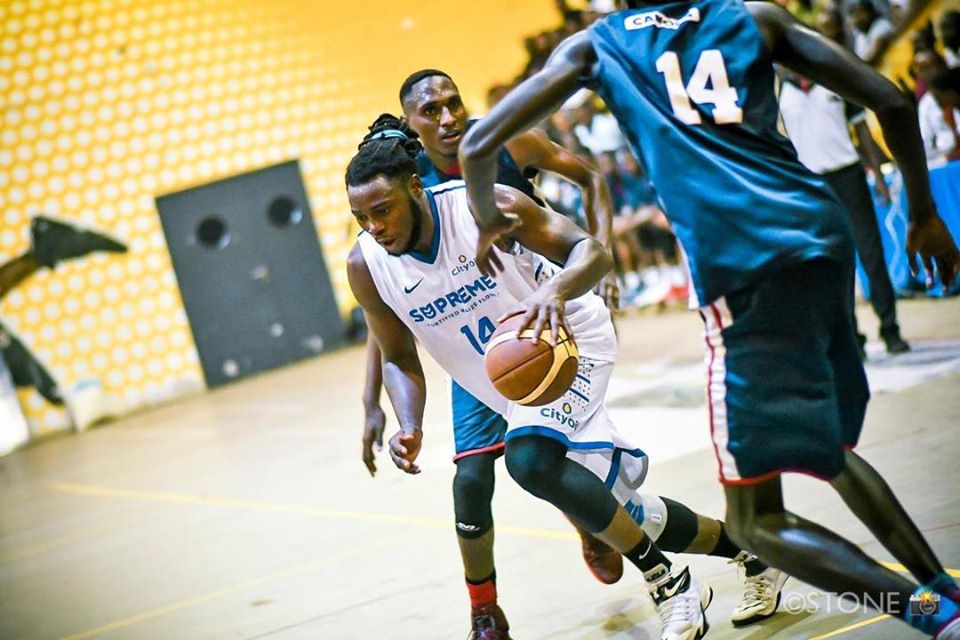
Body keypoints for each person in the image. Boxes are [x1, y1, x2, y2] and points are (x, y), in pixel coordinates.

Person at [458, 1, 960, 638]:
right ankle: (941, 586)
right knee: (830, 450)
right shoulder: (755, 16)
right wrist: (923, 213)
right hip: (820, 237)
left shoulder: (599, 45)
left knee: (755, 523)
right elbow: (890, 98)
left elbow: (478, 143)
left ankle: (937, 615)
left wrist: (487, 219)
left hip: (741, 265)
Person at [346, 116, 780, 640]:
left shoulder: (486, 207)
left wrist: (554, 292)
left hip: (569, 338)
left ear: (415, 187)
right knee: (627, 512)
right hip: (506, 381)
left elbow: (592, 252)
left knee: (529, 459)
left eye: (382, 210)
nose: (374, 226)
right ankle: (754, 555)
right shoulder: (366, 264)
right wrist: (409, 423)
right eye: (361, 217)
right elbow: (396, 355)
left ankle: (670, 583)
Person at [360, 70, 626, 592]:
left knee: (552, 456)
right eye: (431, 111)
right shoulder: (405, 184)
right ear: (411, 124)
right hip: (475, 339)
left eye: (453, 103)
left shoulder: (508, 140)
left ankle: (598, 525)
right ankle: (485, 608)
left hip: (536, 316)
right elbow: (389, 303)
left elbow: (591, 179)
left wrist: (601, 262)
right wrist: (372, 400)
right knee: (473, 476)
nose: (448, 117)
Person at [777, 66, 910, 355]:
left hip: (849, 176)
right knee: (831, 261)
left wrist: (877, 173)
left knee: (871, 254)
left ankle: (890, 329)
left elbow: (862, 129)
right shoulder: (780, 93)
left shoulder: (833, 82)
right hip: (813, 183)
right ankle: (851, 338)